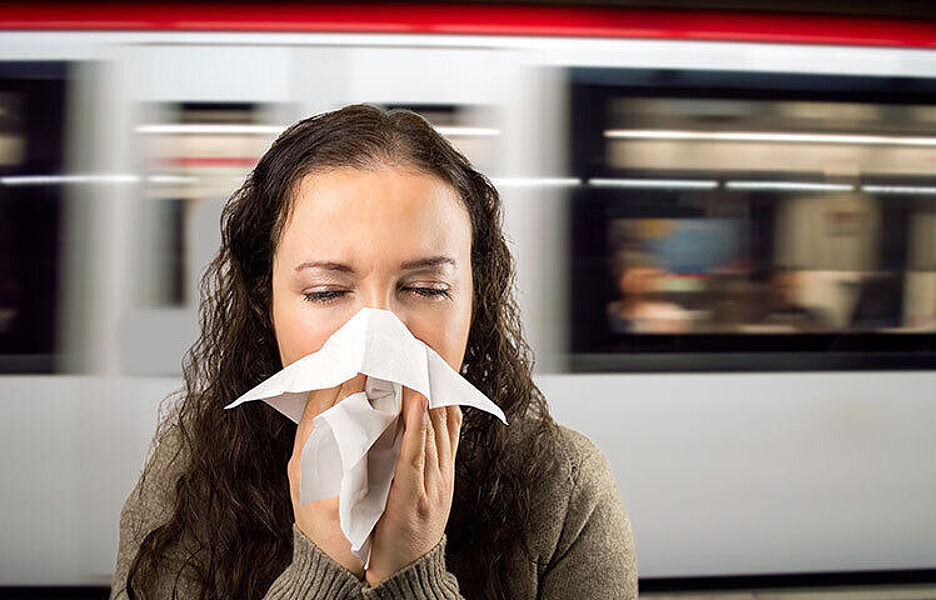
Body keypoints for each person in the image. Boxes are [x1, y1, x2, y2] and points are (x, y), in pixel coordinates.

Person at [111, 104, 638, 599]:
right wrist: (324, 565)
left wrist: (414, 571)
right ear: (263, 302)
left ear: (477, 299)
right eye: (326, 292)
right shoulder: (192, 472)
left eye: (428, 289)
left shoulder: (564, 488)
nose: (376, 343)